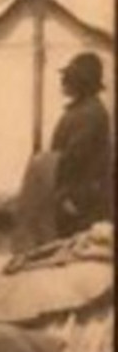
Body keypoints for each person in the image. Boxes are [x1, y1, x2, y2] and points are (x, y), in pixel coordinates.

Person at [50, 52, 114, 236]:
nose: (63, 82)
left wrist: (67, 198)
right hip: (72, 195)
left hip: (79, 200)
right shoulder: (82, 110)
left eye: (69, 78)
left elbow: (74, 159)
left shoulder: (89, 114)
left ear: (82, 83)